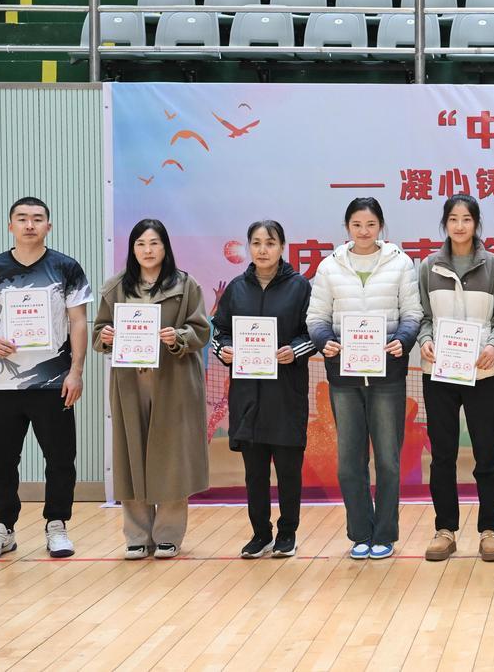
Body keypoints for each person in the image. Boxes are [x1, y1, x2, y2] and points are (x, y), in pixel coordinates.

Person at [0, 197, 92, 561]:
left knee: (60, 459)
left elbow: (79, 321)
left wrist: (76, 372)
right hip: (0, 385)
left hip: (53, 382)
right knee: (1, 462)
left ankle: (57, 526)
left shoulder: (66, 267)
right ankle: (2, 529)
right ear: (11, 226)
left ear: (49, 226)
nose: (30, 224)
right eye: (22, 219)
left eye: (37, 219)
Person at [306, 196, 422, 560]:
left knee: (388, 460)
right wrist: (324, 340)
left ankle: (384, 533)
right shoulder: (329, 267)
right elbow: (316, 317)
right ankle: (360, 533)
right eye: (357, 225)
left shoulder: (400, 263)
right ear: (347, 228)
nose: (364, 231)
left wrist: (403, 339)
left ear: (381, 227)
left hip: (388, 375)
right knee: (349, 462)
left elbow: (412, 313)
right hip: (344, 377)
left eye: (370, 224)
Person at [92, 218, 211, 559]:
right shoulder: (115, 288)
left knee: (172, 457)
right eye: (141, 244)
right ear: (132, 249)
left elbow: (201, 330)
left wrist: (179, 337)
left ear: (165, 247)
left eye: (154, 243)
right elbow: (100, 332)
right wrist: (106, 336)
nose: (148, 250)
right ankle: (136, 534)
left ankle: (168, 534)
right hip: (130, 382)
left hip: (174, 382)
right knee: (130, 455)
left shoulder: (185, 285)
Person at [415, 194, 494, 563]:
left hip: (483, 371)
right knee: (442, 454)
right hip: (439, 372)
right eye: (453, 219)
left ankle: (489, 531)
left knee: (486, 454)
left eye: (466, 219)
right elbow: (424, 317)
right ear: (445, 223)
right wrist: (425, 340)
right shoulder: (429, 267)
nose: (459, 226)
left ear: (476, 223)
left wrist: (493, 345)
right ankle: (445, 530)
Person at [213, 220, 316, 560]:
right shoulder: (236, 289)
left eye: (270, 243)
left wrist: (294, 351)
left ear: (282, 247)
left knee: (288, 471)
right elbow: (219, 331)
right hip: (247, 395)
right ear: (248, 247)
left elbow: (314, 333)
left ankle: (287, 533)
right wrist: (225, 350)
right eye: (256, 243)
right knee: (254, 473)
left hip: (285, 394)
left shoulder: (300, 287)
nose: (262, 249)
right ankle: (260, 534)